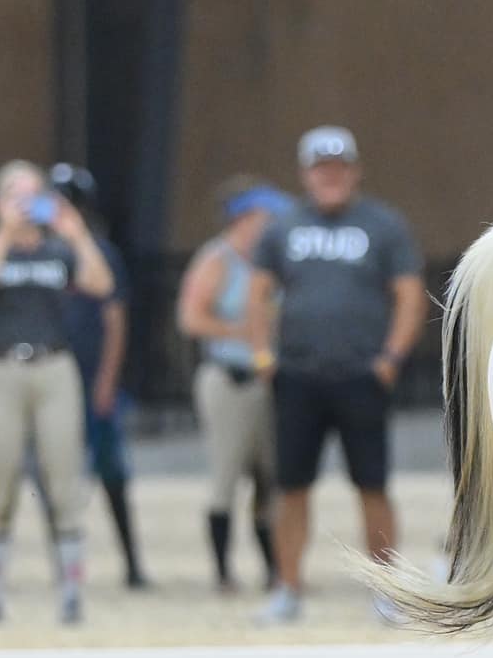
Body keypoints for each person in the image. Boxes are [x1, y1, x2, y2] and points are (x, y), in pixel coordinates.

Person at [246, 126, 427, 625]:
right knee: (290, 486)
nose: (330, 177)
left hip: (361, 375)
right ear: (305, 174)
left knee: (372, 485)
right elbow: (258, 293)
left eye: (339, 168)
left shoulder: (383, 226)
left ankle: (385, 591)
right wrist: (262, 357)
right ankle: (287, 589)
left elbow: (409, 295)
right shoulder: (282, 228)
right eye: (321, 168)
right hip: (297, 375)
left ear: (355, 171)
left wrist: (390, 359)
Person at [0, 161, 115, 624]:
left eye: (34, 195)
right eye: (16, 195)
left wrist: (77, 234)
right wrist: (4, 232)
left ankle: (71, 594)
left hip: (53, 367)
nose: (26, 205)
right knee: (1, 481)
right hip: (1, 368)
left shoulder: (57, 251)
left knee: (64, 480)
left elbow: (101, 284)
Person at [176, 176, 291, 593]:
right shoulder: (217, 260)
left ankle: (275, 570)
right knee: (226, 474)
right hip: (229, 379)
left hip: (269, 382)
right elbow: (190, 318)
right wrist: (244, 331)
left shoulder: (273, 262)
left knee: (269, 477)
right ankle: (223, 571)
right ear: (243, 219)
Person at [46, 162, 147, 588]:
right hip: (53, 376)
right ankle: (65, 564)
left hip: (91, 377)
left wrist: (108, 378)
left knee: (111, 471)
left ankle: (132, 563)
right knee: (55, 475)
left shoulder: (99, 253)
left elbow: (115, 319)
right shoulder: (41, 253)